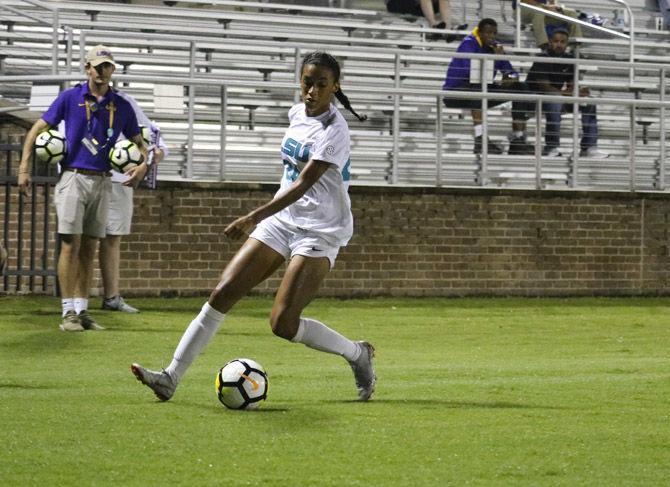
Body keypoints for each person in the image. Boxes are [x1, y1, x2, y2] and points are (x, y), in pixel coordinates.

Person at [130, 51, 376, 403]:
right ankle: (170, 377)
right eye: (307, 83)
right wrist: (265, 218)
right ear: (300, 82)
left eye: (322, 85)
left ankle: (357, 354)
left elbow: (304, 183)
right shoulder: (296, 114)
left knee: (282, 324)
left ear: (335, 87)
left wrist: (252, 217)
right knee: (223, 292)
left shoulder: (335, 130)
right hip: (282, 221)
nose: (312, 91)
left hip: (319, 229)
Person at [17, 45, 148, 332]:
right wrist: (24, 168)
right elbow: (36, 129)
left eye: (107, 67)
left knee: (90, 246)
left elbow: (140, 143)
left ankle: (82, 310)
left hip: (103, 180)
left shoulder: (120, 105)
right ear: (87, 68)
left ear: (113, 70)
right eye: (97, 66)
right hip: (73, 177)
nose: (102, 72)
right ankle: (67, 312)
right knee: (69, 244)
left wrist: (143, 165)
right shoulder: (69, 98)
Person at [99, 93, 168, 314]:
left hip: (121, 179)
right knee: (81, 240)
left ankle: (111, 297)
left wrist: (156, 153)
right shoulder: (76, 98)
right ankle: (73, 302)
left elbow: (152, 136)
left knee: (112, 238)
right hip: (87, 175)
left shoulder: (125, 102)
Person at [442, 18, 534, 155]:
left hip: (482, 88)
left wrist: (509, 79)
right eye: (488, 33)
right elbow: (473, 73)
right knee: (477, 88)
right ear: (479, 33)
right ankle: (480, 139)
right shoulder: (468, 44)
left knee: (521, 87)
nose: (491, 36)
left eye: (494, 33)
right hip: (455, 91)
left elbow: (513, 73)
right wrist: (495, 58)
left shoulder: (495, 47)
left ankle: (517, 139)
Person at [524, 28, 609, 158]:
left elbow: (571, 85)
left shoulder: (570, 59)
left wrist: (578, 92)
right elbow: (544, 87)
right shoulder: (542, 58)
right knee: (555, 101)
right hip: (535, 99)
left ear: (567, 44)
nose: (559, 44)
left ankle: (589, 147)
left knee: (589, 102)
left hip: (557, 97)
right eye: (556, 41)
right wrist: (567, 94)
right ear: (550, 42)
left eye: (563, 42)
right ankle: (551, 147)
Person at [514, 0, 582, 49]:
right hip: (522, 8)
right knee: (539, 10)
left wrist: (553, 7)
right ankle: (543, 43)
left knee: (571, 13)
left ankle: (575, 43)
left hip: (541, 10)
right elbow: (528, 1)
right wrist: (546, 7)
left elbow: (550, 3)